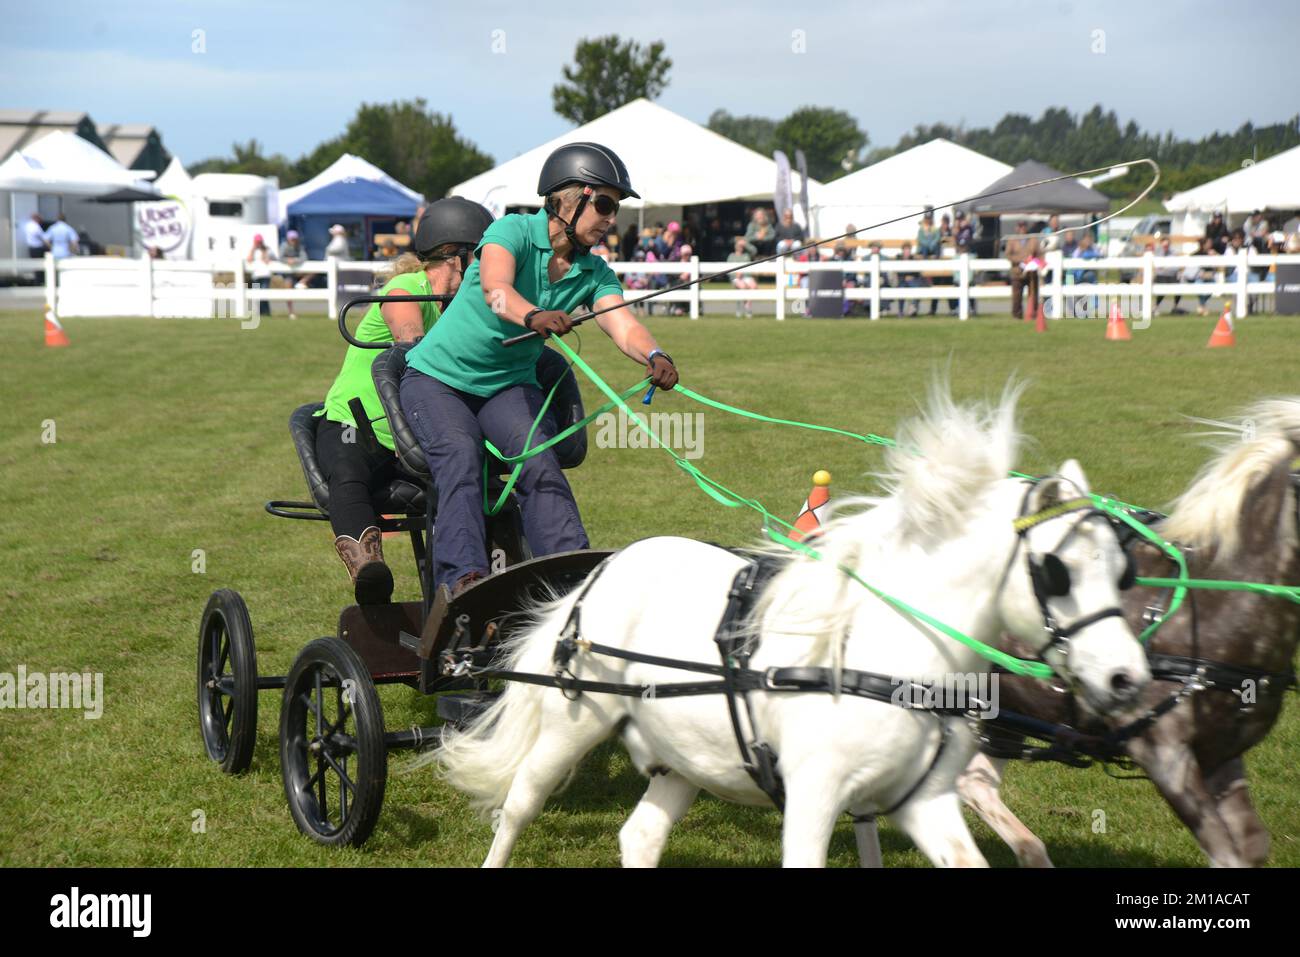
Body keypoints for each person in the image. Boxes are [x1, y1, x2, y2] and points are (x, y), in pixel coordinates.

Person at [398, 142, 679, 609]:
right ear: (565, 200)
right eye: (605, 204)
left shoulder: (594, 270)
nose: (612, 219)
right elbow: (496, 291)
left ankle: (571, 581)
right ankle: (464, 582)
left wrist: (654, 353)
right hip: (437, 382)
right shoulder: (511, 231)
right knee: (461, 458)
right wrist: (534, 316)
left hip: (507, 386)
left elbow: (621, 322)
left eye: (616, 208)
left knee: (540, 462)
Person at [318, 198, 495, 604]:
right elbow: (411, 344)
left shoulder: (463, 305)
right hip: (356, 423)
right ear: (456, 256)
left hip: (413, 431)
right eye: (482, 257)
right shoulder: (407, 289)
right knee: (348, 475)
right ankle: (368, 568)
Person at [1005, 220, 1040, 319]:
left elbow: (1039, 253)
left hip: (1031, 272)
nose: (1022, 228)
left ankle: (1033, 313)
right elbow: (1008, 255)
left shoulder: (1033, 239)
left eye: (1024, 226)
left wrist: (1034, 262)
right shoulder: (1012, 240)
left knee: (1033, 294)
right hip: (1017, 272)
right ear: (1016, 228)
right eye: (1020, 226)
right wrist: (1021, 261)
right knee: (1017, 296)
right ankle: (1017, 315)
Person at [915, 212, 942, 315]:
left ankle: (934, 266)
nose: (928, 220)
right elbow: (921, 240)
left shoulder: (935, 229)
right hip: (925, 250)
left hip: (932, 249)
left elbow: (937, 238)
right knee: (925, 249)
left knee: (936, 286)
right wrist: (928, 244)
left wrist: (932, 244)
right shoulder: (922, 229)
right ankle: (926, 266)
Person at [279, 229, 308, 319]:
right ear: (288, 239)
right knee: (288, 289)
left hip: (297, 271)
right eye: (292, 239)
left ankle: (302, 282)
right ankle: (291, 312)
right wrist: (287, 260)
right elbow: (280, 257)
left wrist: (295, 261)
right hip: (288, 273)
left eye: (294, 239)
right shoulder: (284, 246)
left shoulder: (299, 246)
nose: (293, 240)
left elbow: (304, 257)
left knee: (314, 272)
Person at [727, 236, 758, 316]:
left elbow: (754, 251)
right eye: (739, 245)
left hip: (747, 276)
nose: (740, 247)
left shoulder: (747, 255)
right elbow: (728, 272)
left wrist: (746, 243)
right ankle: (741, 308)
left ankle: (747, 306)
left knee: (753, 285)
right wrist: (736, 274)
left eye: (741, 246)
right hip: (736, 278)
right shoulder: (731, 256)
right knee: (742, 286)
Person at [246, 234, 275, 317]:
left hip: (265, 275)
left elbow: (271, 259)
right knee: (257, 295)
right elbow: (249, 260)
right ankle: (261, 312)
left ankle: (266, 312)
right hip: (255, 275)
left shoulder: (267, 250)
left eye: (260, 242)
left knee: (264, 294)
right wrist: (253, 250)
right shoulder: (252, 250)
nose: (258, 243)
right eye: (257, 242)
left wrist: (264, 253)